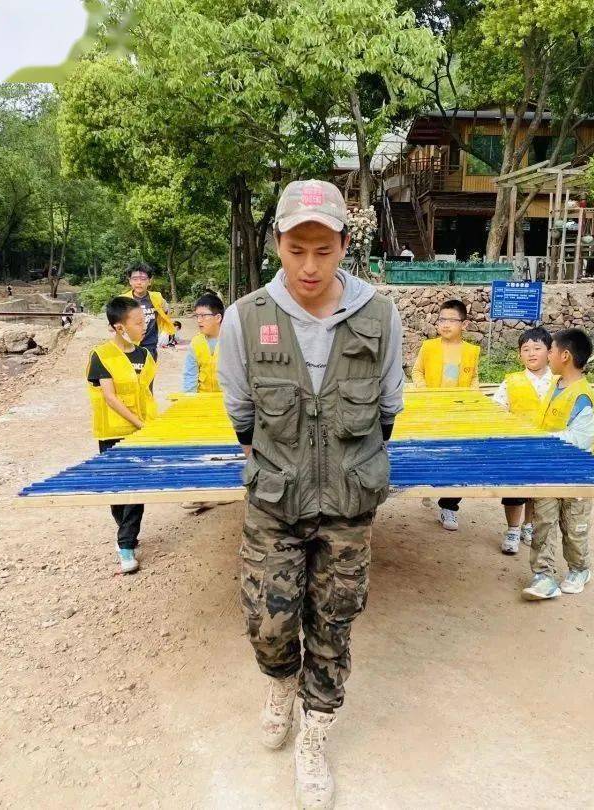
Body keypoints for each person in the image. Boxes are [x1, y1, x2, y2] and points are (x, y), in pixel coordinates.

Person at [217, 179, 404, 810]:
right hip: (275, 501)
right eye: (297, 249)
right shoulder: (246, 318)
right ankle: (279, 684)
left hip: (349, 505)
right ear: (277, 242)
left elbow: (387, 409)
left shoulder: (380, 316)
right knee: (268, 621)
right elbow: (242, 414)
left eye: (323, 250)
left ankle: (315, 736)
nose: (309, 266)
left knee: (335, 621)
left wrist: (345, 466)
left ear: (344, 245)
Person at [522, 328, 594, 601]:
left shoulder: (582, 396)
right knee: (543, 523)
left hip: (577, 474)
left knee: (574, 526)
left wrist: (543, 440)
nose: (547, 355)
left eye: (551, 350)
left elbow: (580, 440)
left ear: (565, 356)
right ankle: (543, 575)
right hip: (549, 470)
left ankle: (579, 569)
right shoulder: (555, 385)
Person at [86, 296, 157, 575]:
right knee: (116, 489)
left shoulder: (145, 356)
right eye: (138, 322)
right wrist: (139, 423)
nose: (144, 326)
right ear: (119, 327)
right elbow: (110, 397)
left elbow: (147, 393)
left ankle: (126, 544)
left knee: (137, 487)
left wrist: (152, 424)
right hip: (113, 433)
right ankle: (126, 532)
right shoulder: (101, 356)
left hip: (141, 433)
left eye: (144, 321)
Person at [411, 299, 480, 532]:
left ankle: (449, 506)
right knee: (431, 454)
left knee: (458, 458)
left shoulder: (471, 351)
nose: (445, 324)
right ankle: (427, 486)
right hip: (431, 411)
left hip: (459, 413)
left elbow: (473, 378)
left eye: (451, 320)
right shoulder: (428, 347)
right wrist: (425, 393)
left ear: (464, 324)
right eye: (442, 319)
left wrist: (473, 397)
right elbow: (417, 372)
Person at [492, 326, 555, 554]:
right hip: (516, 446)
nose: (531, 353)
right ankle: (512, 529)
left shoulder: (558, 382)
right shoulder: (511, 381)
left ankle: (529, 525)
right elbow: (498, 409)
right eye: (526, 349)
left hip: (547, 447)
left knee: (536, 489)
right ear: (519, 354)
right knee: (514, 490)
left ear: (549, 352)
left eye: (537, 348)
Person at [121, 263, 175, 361]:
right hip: (129, 345)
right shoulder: (123, 300)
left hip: (150, 345)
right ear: (130, 281)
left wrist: (166, 332)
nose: (139, 282)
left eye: (143, 279)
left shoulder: (157, 298)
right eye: (135, 279)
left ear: (149, 281)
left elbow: (166, 312)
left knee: (149, 370)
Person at [182, 293, 224, 393]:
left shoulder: (231, 341)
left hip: (227, 399)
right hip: (202, 397)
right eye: (197, 316)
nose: (199, 320)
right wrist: (189, 398)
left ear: (218, 318)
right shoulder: (196, 343)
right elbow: (190, 376)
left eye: (203, 316)